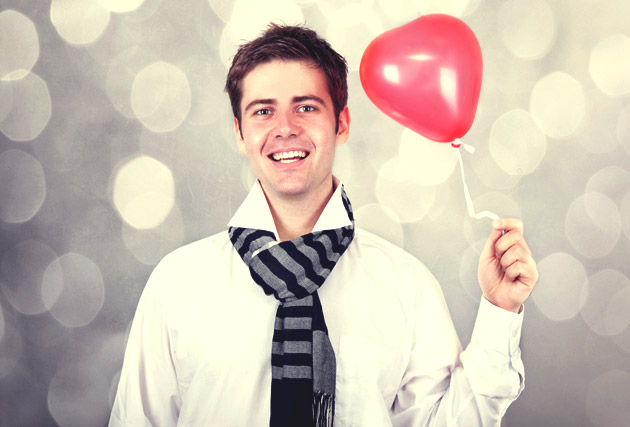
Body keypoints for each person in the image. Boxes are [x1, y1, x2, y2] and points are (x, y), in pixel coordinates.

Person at [109, 24, 538, 427]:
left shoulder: (407, 287)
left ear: (342, 124)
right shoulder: (177, 283)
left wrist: (500, 313)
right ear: (240, 133)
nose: (285, 128)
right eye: (263, 111)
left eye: (306, 107)